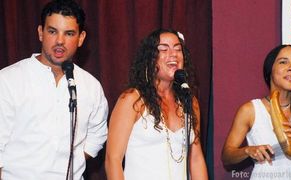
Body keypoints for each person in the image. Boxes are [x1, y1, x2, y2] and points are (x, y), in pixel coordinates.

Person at [0, 0, 108, 179]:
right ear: (41, 33)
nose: (60, 41)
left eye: (69, 33)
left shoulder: (91, 86)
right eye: (52, 31)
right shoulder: (9, 79)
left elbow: (97, 135)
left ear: (81, 38)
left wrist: (71, 162)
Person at [105, 28, 208, 180]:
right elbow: (112, 160)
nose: (173, 54)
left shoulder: (190, 101)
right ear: (150, 58)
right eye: (164, 49)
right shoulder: (132, 100)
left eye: (178, 49)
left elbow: (196, 158)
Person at [221, 45, 291, 179]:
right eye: (283, 62)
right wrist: (248, 150)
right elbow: (226, 156)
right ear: (270, 71)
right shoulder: (250, 110)